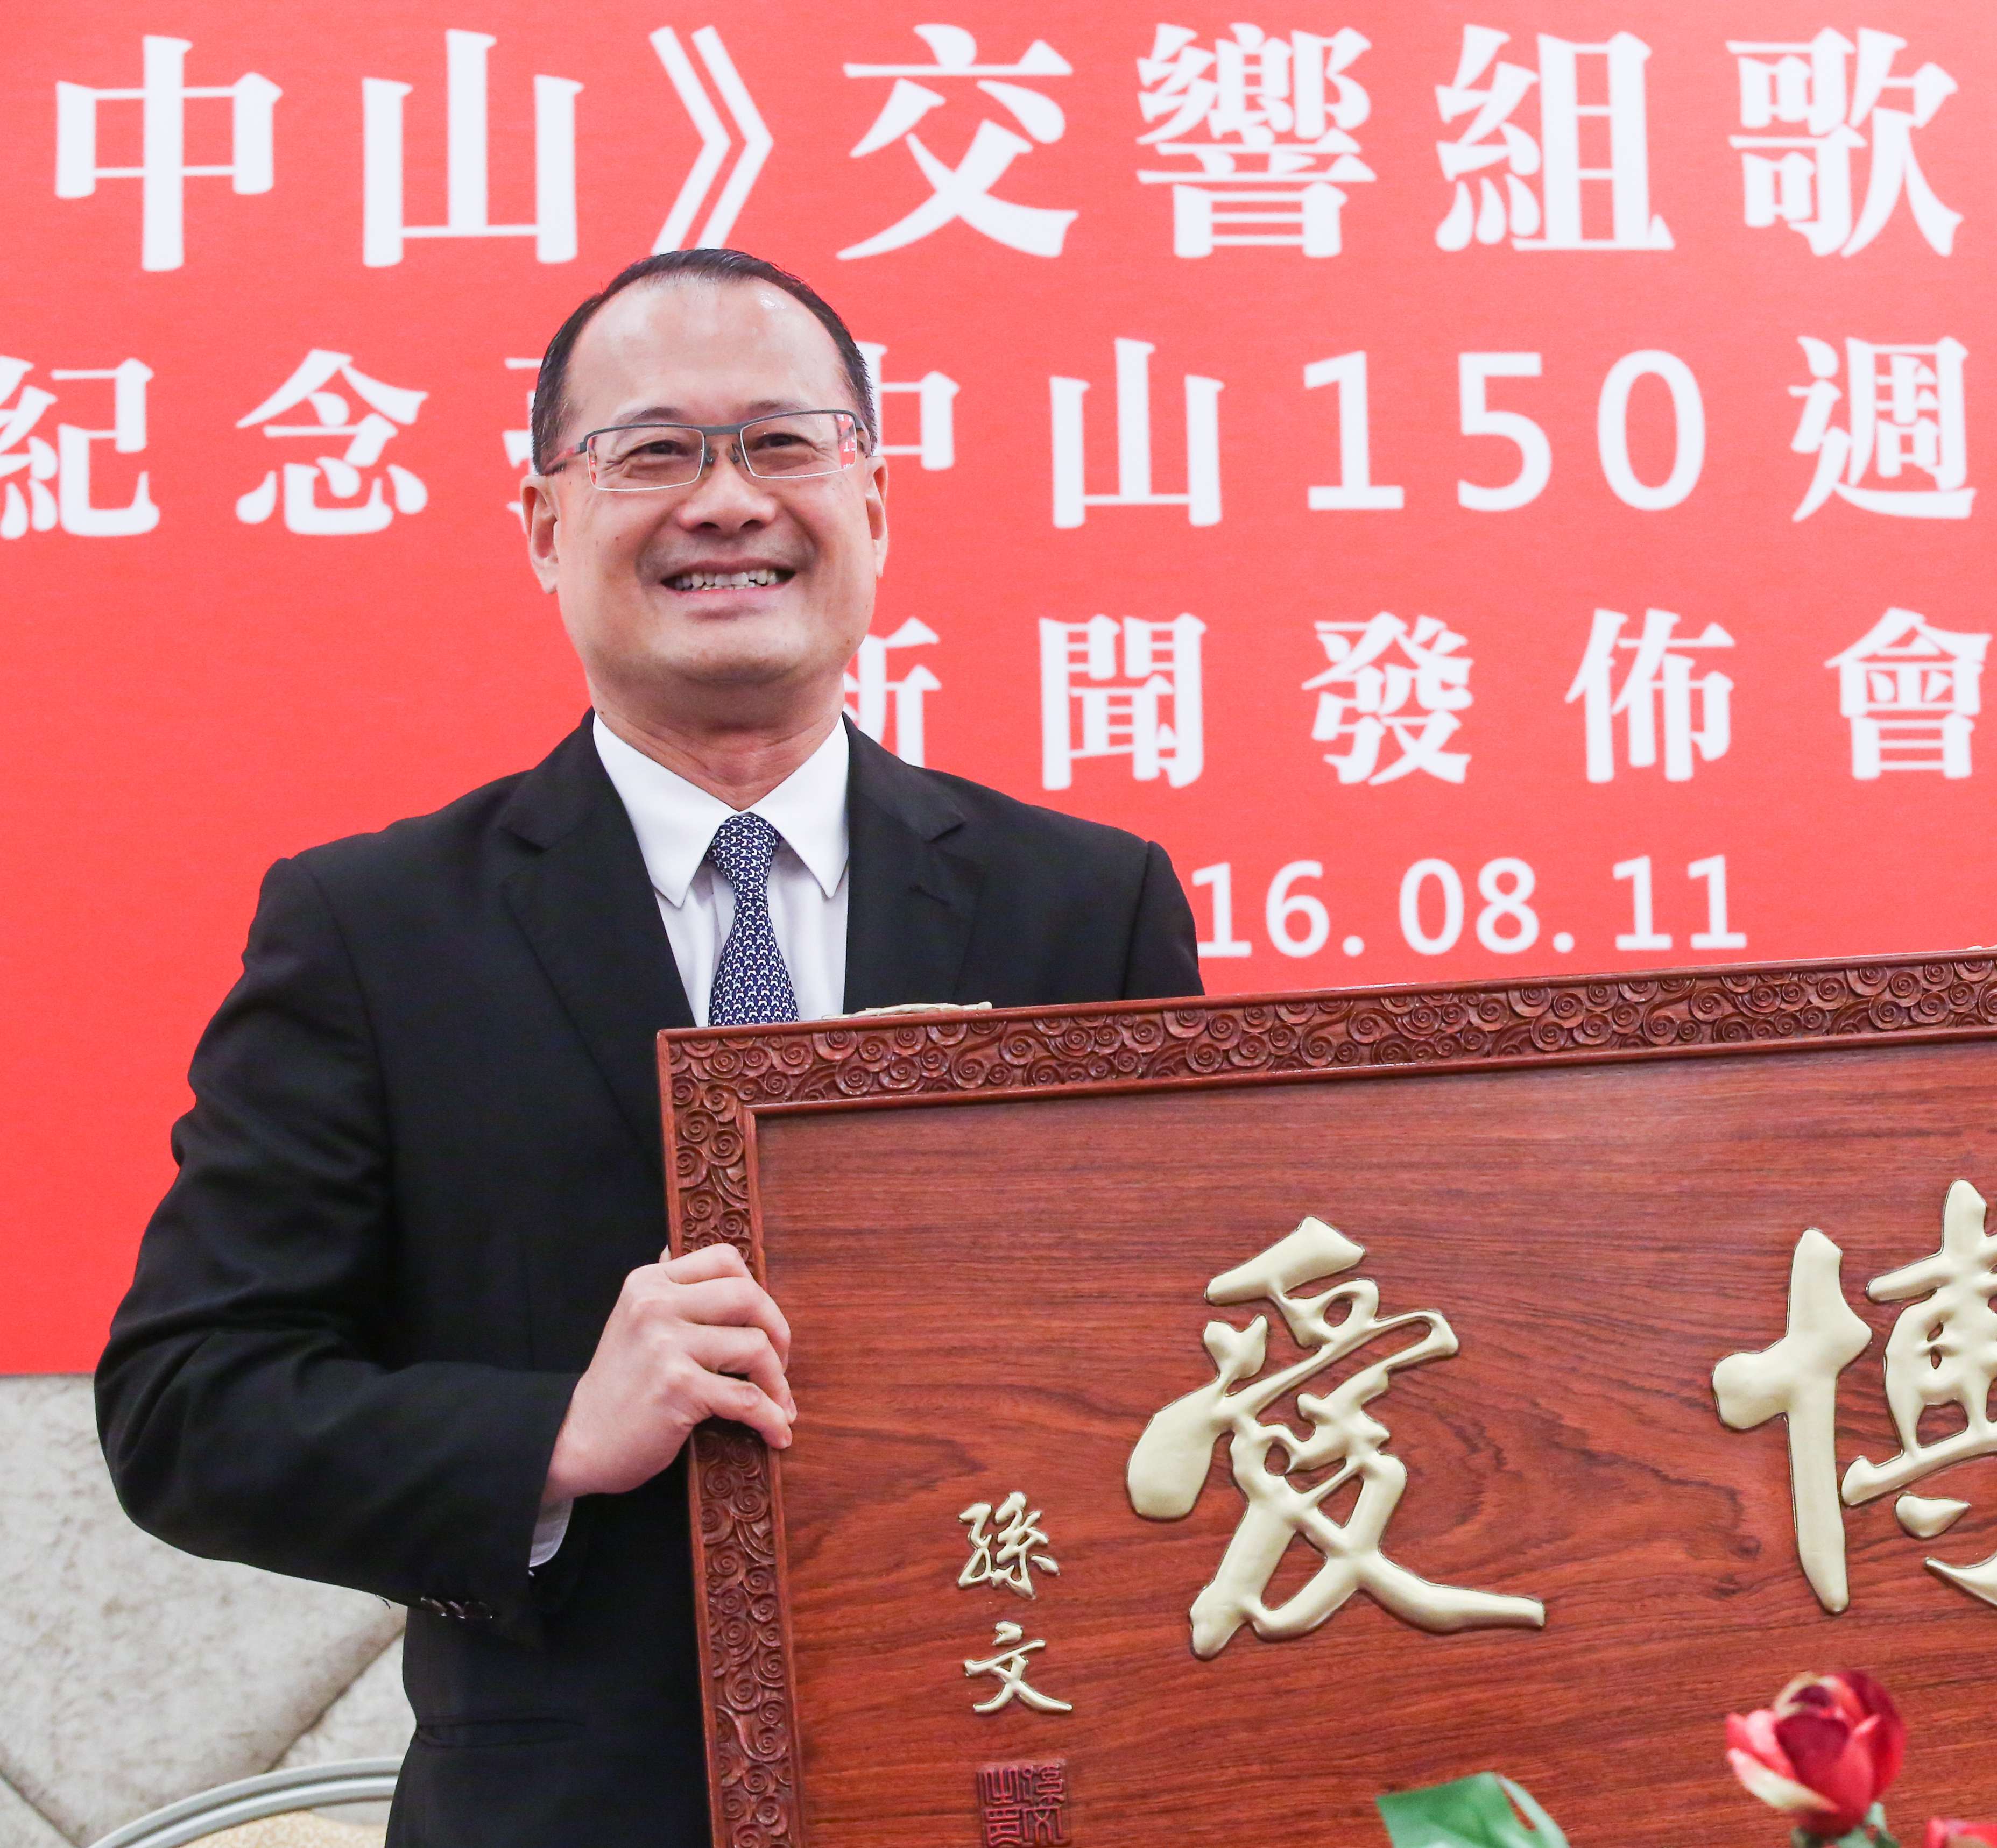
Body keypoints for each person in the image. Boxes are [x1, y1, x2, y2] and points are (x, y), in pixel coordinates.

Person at [96, 249, 1202, 1844]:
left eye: (780, 443)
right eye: (656, 450)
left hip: (1014, 1784)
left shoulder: (1086, 907)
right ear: (546, 523)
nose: (726, 500)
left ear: (872, 500)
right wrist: (552, 1430)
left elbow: (1185, 1348)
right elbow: (188, 1405)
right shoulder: (375, 928)